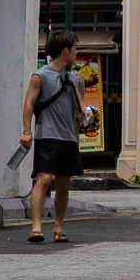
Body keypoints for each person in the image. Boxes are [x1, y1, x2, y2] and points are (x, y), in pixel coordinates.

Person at [20, 31, 84, 244]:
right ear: (65, 50)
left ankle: (58, 225)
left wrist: (89, 114)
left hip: (68, 137)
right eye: (75, 48)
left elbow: (80, 106)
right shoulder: (40, 75)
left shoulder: (71, 77)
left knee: (64, 184)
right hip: (47, 135)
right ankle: (36, 226)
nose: (77, 52)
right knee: (44, 179)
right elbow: (29, 104)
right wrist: (27, 132)